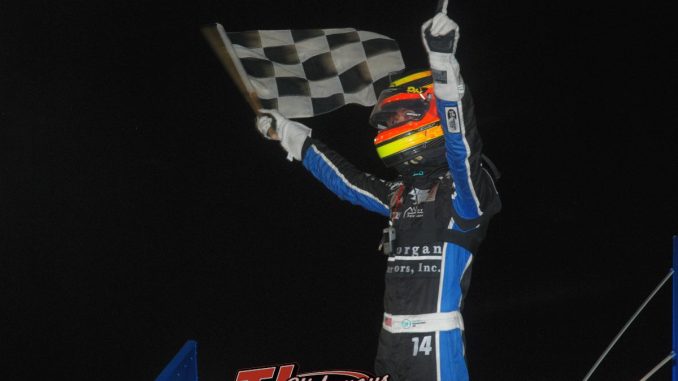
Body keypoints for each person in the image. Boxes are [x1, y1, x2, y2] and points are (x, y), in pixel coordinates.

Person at [254, 12, 501, 381]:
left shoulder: (464, 194)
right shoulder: (401, 194)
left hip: (434, 343)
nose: (392, 124)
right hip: (389, 342)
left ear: (427, 117)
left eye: (401, 116)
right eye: (390, 118)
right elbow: (348, 182)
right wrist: (288, 133)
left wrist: (444, 66)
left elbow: (462, 147)